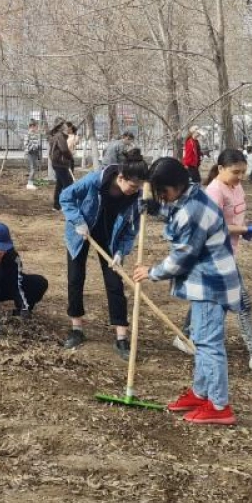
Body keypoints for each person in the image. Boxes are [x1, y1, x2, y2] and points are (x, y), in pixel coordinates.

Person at [133, 157, 242, 426]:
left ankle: (219, 405)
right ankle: (200, 392)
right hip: (205, 282)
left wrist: (152, 272)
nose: (162, 197)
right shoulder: (193, 193)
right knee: (201, 339)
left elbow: (183, 256)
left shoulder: (192, 211)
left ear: (177, 185)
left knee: (208, 345)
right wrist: (157, 209)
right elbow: (176, 210)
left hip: (210, 284)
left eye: (163, 192)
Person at [176, 149, 252, 376]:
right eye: (235, 172)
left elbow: (233, 219)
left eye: (243, 172)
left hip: (228, 252)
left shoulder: (236, 186)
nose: (240, 176)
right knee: (243, 303)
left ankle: (185, 336)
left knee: (207, 296)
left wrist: (246, 229)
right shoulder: (213, 192)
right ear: (220, 169)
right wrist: (245, 229)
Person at [59, 150, 147, 359]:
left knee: (115, 283)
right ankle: (77, 329)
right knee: (75, 278)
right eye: (133, 186)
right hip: (82, 232)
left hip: (110, 237)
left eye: (139, 187)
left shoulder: (137, 197)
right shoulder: (94, 180)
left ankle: (121, 338)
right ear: (120, 178)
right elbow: (66, 197)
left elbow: (130, 229)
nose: (135, 190)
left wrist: (120, 251)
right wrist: (77, 221)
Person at [48, 120, 75, 211]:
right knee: (68, 184)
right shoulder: (59, 136)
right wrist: (70, 158)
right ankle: (67, 205)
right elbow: (64, 150)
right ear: (61, 127)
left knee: (60, 184)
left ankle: (56, 205)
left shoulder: (56, 136)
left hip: (57, 163)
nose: (67, 127)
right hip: (61, 164)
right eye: (65, 125)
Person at [22, 120, 42, 189]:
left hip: (35, 153)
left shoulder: (36, 134)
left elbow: (38, 144)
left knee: (35, 168)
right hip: (30, 153)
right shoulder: (27, 134)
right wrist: (33, 146)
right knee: (33, 168)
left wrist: (37, 148)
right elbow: (25, 145)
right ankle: (29, 184)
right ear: (32, 126)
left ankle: (32, 182)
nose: (37, 128)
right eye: (36, 126)